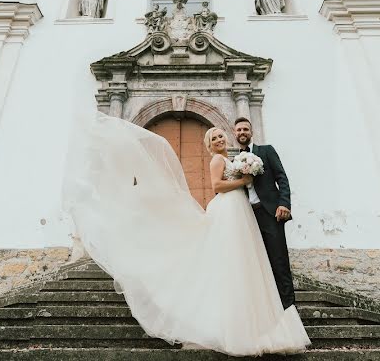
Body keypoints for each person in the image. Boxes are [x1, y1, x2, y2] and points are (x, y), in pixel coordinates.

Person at [63, 113, 310, 356]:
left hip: (247, 212)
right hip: (230, 209)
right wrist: (243, 180)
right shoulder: (218, 161)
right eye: (214, 138)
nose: (219, 140)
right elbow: (216, 187)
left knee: (253, 263)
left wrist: (265, 192)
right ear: (208, 145)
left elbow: (278, 179)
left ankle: (275, 318)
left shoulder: (242, 156)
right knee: (234, 261)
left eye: (221, 135)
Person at [233, 117, 295, 309]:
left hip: (270, 213)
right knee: (257, 263)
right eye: (239, 130)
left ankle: (289, 308)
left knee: (279, 259)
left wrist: (284, 203)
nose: (242, 132)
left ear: (251, 132)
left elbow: (281, 177)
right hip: (249, 217)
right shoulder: (234, 161)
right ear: (234, 134)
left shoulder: (266, 151)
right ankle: (267, 308)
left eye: (245, 129)